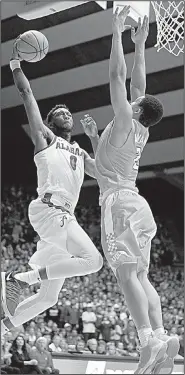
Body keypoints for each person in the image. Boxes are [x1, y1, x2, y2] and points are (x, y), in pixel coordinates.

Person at [80, 6, 179, 374]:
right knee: (140, 276)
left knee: (125, 275)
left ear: (135, 109)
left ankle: (147, 340)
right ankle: (163, 334)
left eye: (133, 101)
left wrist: (117, 32)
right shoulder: (139, 129)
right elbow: (140, 87)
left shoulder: (125, 119)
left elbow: (119, 77)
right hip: (136, 203)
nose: (132, 98)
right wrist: (141, 45)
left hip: (120, 205)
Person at [1, 37, 103, 335]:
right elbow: (26, 93)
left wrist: (94, 138)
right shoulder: (45, 139)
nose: (66, 114)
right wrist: (16, 64)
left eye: (68, 113)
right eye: (60, 113)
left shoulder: (79, 151)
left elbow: (103, 173)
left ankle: (2, 329)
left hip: (60, 219)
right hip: (51, 209)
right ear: (49, 121)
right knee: (93, 261)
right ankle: (19, 279)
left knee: (49, 297)